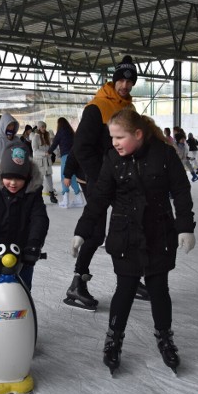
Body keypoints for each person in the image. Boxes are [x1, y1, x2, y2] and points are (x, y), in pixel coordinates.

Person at [71, 108, 195, 374]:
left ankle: (165, 338)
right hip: (125, 233)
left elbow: (181, 192)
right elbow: (99, 198)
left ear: (138, 134)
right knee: (125, 289)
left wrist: (185, 227)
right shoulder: (112, 159)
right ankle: (113, 340)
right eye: (112, 137)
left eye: (120, 137)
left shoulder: (164, 155)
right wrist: (82, 230)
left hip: (159, 232)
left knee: (159, 288)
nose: (114, 142)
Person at [66, 55, 149, 310]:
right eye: (122, 79)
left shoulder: (130, 110)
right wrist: (100, 176)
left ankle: (130, 278)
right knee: (96, 232)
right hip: (95, 178)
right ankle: (77, 283)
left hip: (121, 179)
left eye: (130, 81)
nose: (125, 84)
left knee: (130, 225)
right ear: (114, 80)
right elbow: (81, 147)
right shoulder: (97, 107)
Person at [0, 143, 49, 291]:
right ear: (1, 175)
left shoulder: (33, 192)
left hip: (23, 251)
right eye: (8, 177)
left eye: (18, 179)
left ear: (27, 177)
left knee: (23, 287)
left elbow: (39, 218)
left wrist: (34, 244)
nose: (13, 183)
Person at [48, 117, 85, 209]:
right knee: (71, 176)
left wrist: (48, 152)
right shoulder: (71, 132)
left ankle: (65, 200)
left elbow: (55, 143)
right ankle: (79, 199)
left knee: (64, 176)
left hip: (66, 156)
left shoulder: (61, 131)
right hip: (74, 156)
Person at [32, 121, 58, 204]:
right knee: (39, 180)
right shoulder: (35, 137)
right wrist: (45, 153)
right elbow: (35, 151)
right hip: (40, 162)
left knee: (49, 178)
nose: (44, 128)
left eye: (44, 126)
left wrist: (55, 153)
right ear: (39, 128)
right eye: (42, 127)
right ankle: (39, 198)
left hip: (47, 161)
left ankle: (52, 195)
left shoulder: (47, 136)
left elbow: (51, 147)